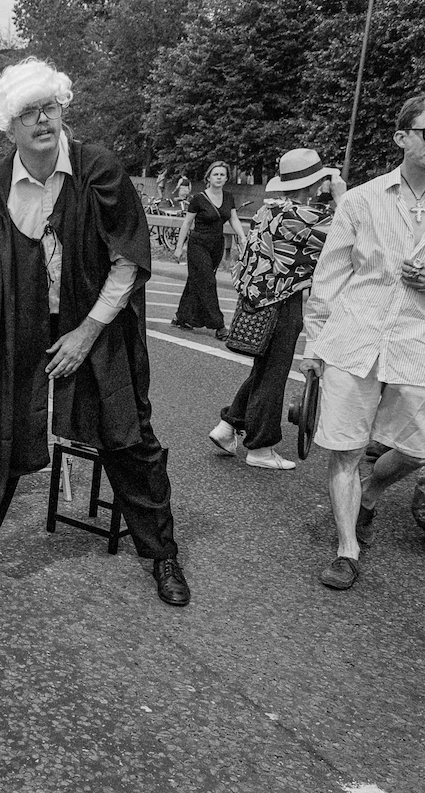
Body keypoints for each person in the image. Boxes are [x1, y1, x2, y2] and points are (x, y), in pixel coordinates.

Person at [0, 57, 190, 607]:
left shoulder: (98, 169)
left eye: (48, 108)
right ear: (10, 128)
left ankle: (162, 553)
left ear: (61, 110)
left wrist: (85, 334)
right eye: (27, 113)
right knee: (2, 434)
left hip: (99, 323)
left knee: (127, 436)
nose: (41, 121)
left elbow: (127, 262)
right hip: (24, 325)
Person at [301, 94, 425, 591]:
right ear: (402, 137)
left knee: (417, 448)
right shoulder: (362, 199)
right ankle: (347, 547)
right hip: (355, 337)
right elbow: (329, 276)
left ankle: (371, 493)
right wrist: (314, 345)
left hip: (416, 343)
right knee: (347, 448)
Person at [210, 149, 343, 470]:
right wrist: (343, 196)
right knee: (274, 375)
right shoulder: (306, 218)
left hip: (257, 299)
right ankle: (261, 448)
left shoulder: (269, 211)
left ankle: (228, 426)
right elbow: (353, 233)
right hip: (283, 303)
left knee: (263, 369)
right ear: (314, 184)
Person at [172, 161, 245, 338]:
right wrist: (179, 247)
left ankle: (182, 316)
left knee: (196, 280)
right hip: (198, 244)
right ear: (209, 178)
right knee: (208, 281)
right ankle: (218, 325)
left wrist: (242, 237)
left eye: (222, 174)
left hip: (216, 245)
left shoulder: (228, 197)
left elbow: (233, 219)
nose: (219, 177)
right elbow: (187, 223)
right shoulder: (199, 198)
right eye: (215, 174)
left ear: (226, 178)